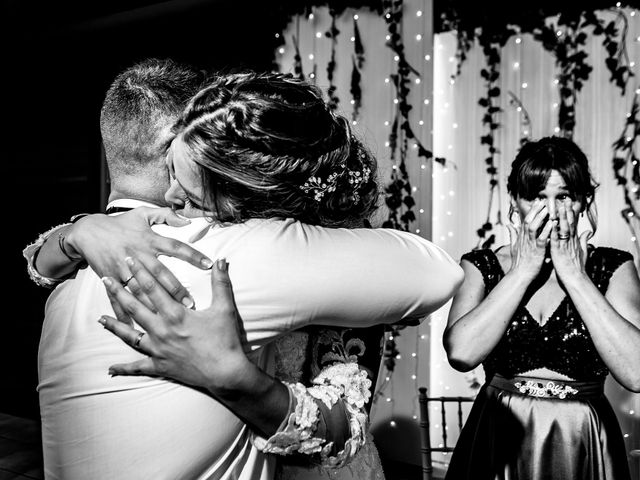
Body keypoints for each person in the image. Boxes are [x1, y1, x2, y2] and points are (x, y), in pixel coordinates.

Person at [25, 67, 464, 479]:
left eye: (184, 177)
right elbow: (433, 270)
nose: (173, 196)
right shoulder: (239, 251)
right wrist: (78, 230)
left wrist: (236, 380)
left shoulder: (73, 281)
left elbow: (345, 426)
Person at [442, 136, 640, 480]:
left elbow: (636, 373)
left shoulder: (613, 266)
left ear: (583, 202)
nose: (550, 210)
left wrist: (576, 276)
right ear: (515, 202)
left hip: (582, 441)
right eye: (536, 196)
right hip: (499, 435)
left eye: (563, 196)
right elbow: (461, 354)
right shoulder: (481, 265)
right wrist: (522, 270)